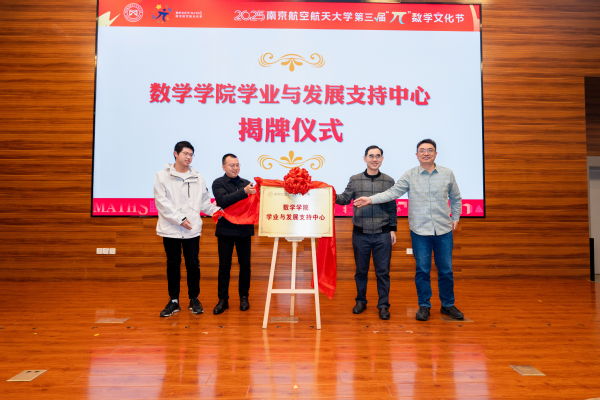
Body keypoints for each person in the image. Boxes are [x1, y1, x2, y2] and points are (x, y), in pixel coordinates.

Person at [354, 139, 464, 321]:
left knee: (446, 270)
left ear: (436, 154)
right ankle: (424, 306)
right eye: (422, 150)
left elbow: (456, 197)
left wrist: (456, 217)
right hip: (420, 232)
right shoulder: (410, 175)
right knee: (422, 270)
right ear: (417, 155)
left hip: (443, 230)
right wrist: (370, 199)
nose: (426, 153)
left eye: (430, 150)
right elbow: (392, 193)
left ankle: (448, 305)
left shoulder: (447, 173)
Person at [154, 140, 221, 318]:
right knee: (173, 265)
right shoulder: (162, 176)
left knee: (193, 265)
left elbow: (204, 202)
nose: (188, 157)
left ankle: (194, 299)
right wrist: (179, 219)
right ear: (175, 154)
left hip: (192, 230)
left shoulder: (198, 177)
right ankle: (173, 300)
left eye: (191, 154)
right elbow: (162, 203)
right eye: (185, 153)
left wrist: (218, 212)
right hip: (171, 229)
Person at [336, 145, 397, 320]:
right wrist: (330, 193)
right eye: (371, 156)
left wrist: (393, 229)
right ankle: (361, 301)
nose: (374, 159)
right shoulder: (355, 180)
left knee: (383, 272)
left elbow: (392, 207)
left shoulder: (389, 181)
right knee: (361, 271)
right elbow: (344, 199)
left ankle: (383, 305)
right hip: (360, 234)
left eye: (378, 156)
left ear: (382, 159)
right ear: (365, 159)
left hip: (382, 234)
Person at [211, 154, 256, 314]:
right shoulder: (218, 183)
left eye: (237, 165)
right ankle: (223, 300)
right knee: (224, 266)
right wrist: (244, 192)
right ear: (223, 166)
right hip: (226, 230)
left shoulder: (246, 183)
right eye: (232, 165)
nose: (235, 168)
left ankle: (244, 297)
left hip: (244, 230)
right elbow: (223, 201)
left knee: (245, 266)